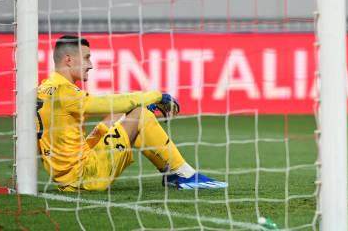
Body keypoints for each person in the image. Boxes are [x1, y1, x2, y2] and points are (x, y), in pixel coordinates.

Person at [36, 35, 227, 192]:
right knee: (140, 114)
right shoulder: (64, 91)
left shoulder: (45, 88)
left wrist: (132, 110)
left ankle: (172, 173)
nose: (91, 65)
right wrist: (156, 96)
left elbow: (111, 107)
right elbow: (105, 102)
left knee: (125, 112)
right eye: (86, 58)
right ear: (69, 60)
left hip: (67, 173)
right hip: (85, 175)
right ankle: (183, 174)